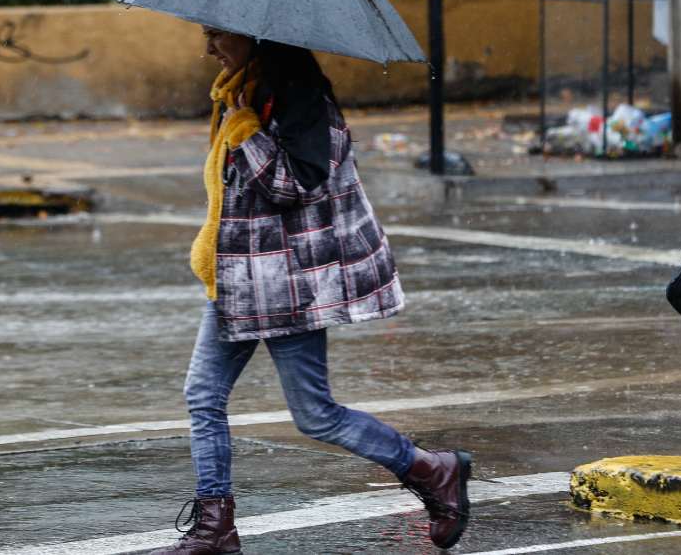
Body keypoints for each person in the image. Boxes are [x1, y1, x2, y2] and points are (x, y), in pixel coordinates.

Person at [152, 29, 472, 554]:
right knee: (203, 394)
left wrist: (246, 133)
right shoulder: (242, 89)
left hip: (286, 285)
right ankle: (216, 527)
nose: (208, 48)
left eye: (216, 36)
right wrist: (240, 120)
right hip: (241, 279)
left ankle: (431, 469)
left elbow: (295, 184)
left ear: (251, 35)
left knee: (314, 413)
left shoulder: (297, 93)